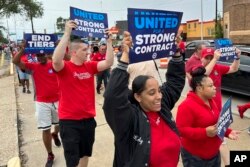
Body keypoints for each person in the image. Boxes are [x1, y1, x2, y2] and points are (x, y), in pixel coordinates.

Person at [103, 31, 186, 167]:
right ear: (138, 97)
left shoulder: (162, 105)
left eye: (159, 91)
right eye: (152, 93)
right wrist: (125, 56)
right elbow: (112, 98)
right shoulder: (128, 118)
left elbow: (175, 83)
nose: (159, 96)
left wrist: (175, 51)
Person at [52, 20, 114, 167]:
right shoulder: (64, 68)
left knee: (85, 154)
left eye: (87, 49)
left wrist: (109, 42)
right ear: (73, 52)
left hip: (88, 120)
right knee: (72, 159)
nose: (88, 52)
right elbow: (55, 60)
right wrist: (67, 33)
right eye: (84, 50)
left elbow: (109, 62)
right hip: (69, 121)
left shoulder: (90, 66)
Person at [176, 66, 240, 167]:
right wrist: (204, 132)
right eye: (210, 86)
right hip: (195, 157)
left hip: (214, 153)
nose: (215, 87)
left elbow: (216, 122)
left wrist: (228, 132)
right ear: (199, 88)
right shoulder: (186, 106)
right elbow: (181, 130)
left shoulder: (211, 101)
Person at [12, 42, 61, 167]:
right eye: (38, 55)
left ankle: (55, 134)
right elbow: (15, 61)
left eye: (42, 54)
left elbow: (68, 60)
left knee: (60, 124)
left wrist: (57, 48)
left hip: (58, 100)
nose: (40, 57)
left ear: (46, 54)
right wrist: (23, 50)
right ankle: (50, 154)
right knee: (45, 129)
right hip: (41, 102)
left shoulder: (55, 65)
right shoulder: (33, 67)